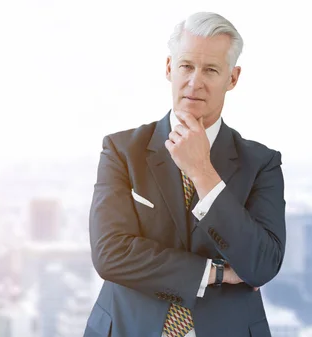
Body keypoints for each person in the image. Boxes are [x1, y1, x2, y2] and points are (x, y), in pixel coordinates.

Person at [84, 12, 286, 337]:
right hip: (127, 327)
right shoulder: (122, 151)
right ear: (169, 68)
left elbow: (261, 265)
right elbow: (110, 255)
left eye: (211, 70)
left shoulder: (262, 163)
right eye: (186, 66)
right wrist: (215, 273)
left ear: (232, 78)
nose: (195, 81)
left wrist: (202, 172)